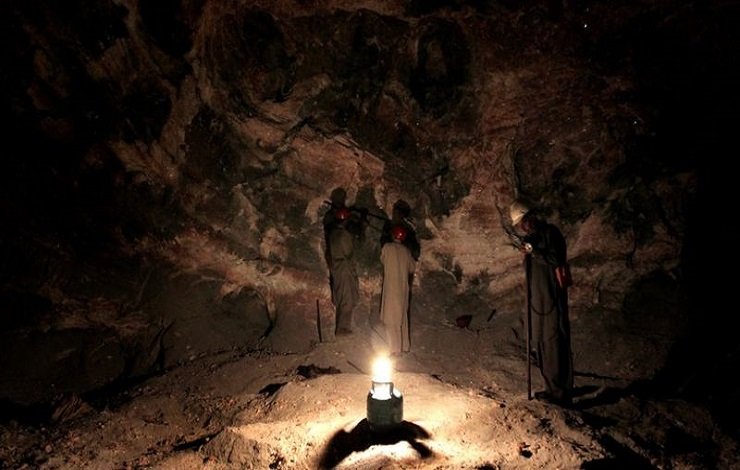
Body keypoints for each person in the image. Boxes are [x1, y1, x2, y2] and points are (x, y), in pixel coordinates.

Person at [510, 199, 574, 407]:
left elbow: (556, 260)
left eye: (524, 222)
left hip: (552, 297)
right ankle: (551, 388)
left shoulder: (550, 233)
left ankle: (561, 393)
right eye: (520, 224)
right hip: (536, 300)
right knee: (541, 343)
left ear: (531, 217)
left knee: (555, 343)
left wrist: (534, 251)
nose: (523, 227)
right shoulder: (531, 238)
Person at [380, 225, 416, 355]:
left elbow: (382, 260)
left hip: (391, 288)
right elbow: (412, 268)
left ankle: (395, 350)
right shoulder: (406, 251)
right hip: (403, 288)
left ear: (392, 235)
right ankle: (405, 346)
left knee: (391, 319)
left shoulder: (387, 247)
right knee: (402, 317)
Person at [328, 207, 360, 336]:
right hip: (344, 269)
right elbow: (349, 253)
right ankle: (342, 328)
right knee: (347, 298)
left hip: (336, 267)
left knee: (341, 297)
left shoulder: (332, 233)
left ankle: (342, 326)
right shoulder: (344, 235)